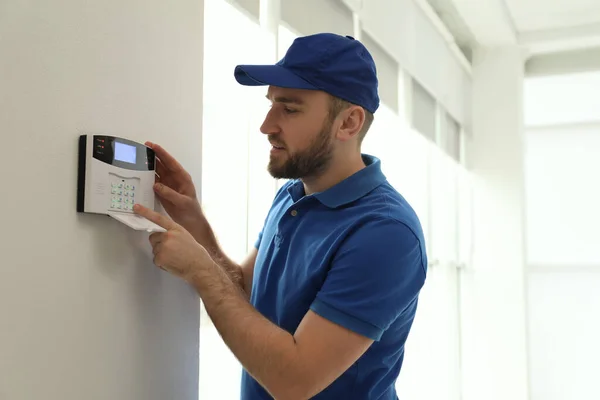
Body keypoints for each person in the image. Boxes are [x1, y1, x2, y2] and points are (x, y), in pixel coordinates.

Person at [133, 32, 428, 400]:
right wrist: (194, 222)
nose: (267, 125)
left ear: (349, 123)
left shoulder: (386, 233)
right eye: (271, 104)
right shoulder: (292, 196)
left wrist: (200, 271)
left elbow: (294, 381)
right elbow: (243, 294)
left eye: (289, 109)